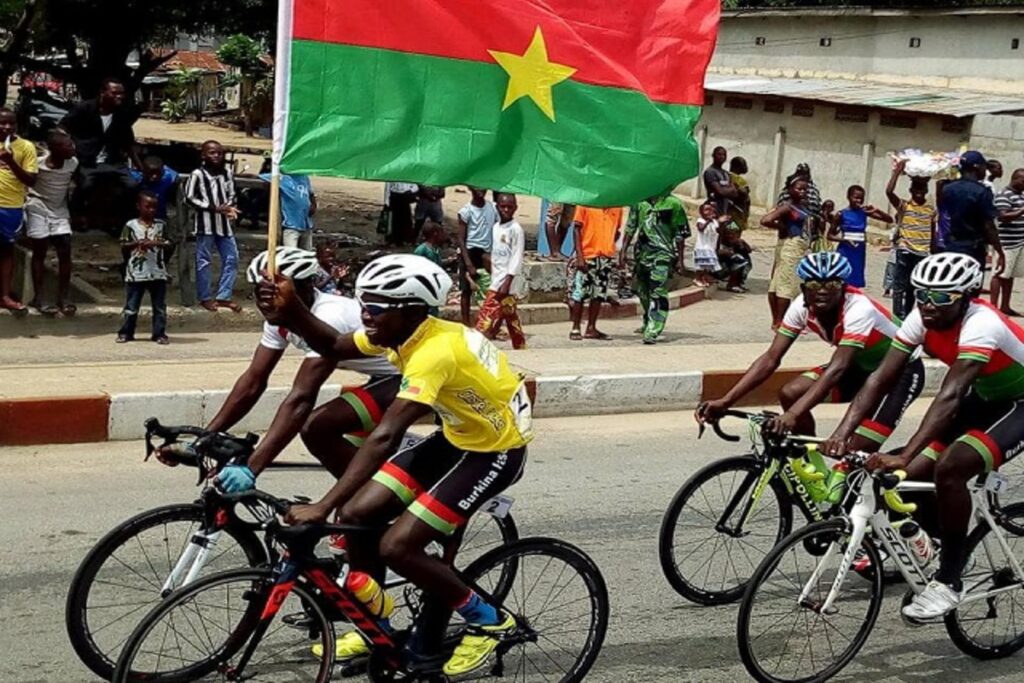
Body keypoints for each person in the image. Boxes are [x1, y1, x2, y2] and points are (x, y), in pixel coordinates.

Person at [254, 253, 533, 676]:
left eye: (375, 308)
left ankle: (492, 622)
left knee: (396, 546)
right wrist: (291, 309)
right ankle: (375, 625)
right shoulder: (401, 334)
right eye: (362, 303)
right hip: (456, 437)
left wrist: (321, 506)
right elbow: (331, 344)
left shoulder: (434, 351)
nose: (365, 315)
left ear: (411, 310)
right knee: (357, 514)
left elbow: (385, 435)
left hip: (495, 453)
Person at [822, 253, 1024, 621]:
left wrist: (905, 454)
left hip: (1019, 404)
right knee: (906, 476)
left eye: (942, 297)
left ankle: (949, 581)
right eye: (922, 295)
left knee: (950, 468)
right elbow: (880, 378)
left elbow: (949, 397)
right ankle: (949, 543)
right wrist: (842, 434)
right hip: (986, 397)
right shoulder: (921, 317)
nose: (929, 305)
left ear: (965, 296)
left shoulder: (982, 324)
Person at [203, 248, 402, 535]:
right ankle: (369, 496)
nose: (266, 302)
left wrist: (252, 467)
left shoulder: (329, 315)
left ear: (305, 287)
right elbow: (253, 381)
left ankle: (380, 501)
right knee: (344, 451)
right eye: (260, 294)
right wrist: (207, 434)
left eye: (274, 292)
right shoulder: (278, 318)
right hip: (378, 378)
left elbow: (301, 399)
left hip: (405, 379)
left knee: (317, 427)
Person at [698, 251, 924, 449]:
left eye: (832, 284)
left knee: (858, 446)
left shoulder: (859, 308)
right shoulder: (800, 307)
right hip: (861, 367)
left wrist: (792, 416)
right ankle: (813, 470)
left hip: (900, 371)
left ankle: (860, 496)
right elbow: (770, 358)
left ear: (844, 287)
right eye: (815, 285)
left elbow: (838, 368)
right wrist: (725, 401)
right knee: (791, 393)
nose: (823, 291)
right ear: (804, 289)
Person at [60, 77, 139, 228]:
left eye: (121, 94)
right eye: (115, 93)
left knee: (132, 185)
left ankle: (122, 220)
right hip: (87, 160)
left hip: (113, 161)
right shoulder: (84, 108)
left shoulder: (122, 114)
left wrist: (139, 166)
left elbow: (128, 143)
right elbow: (62, 127)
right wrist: (70, 146)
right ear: (103, 92)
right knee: (85, 185)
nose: (119, 97)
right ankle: (77, 215)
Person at [621, 191, 689, 344]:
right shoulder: (639, 202)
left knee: (658, 290)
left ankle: (654, 328)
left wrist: (680, 260)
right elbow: (631, 227)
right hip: (642, 255)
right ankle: (648, 318)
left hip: (663, 254)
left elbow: (680, 234)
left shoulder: (673, 204)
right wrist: (623, 251)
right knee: (642, 290)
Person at [25, 128, 76, 317]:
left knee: (65, 249)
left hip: (59, 209)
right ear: (55, 149)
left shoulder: (72, 163)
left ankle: (63, 297)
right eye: (68, 146)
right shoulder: (38, 164)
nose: (73, 148)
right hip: (37, 206)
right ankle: (39, 297)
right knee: (40, 250)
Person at [186, 140, 242, 312]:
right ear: (203, 155)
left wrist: (229, 206)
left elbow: (233, 193)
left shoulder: (227, 173)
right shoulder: (197, 174)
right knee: (203, 261)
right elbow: (189, 197)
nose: (216, 156)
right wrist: (213, 208)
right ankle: (205, 297)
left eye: (219, 153)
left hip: (225, 225)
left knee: (232, 259)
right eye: (212, 153)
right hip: (205, 225)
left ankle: (224, 296)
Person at [937, 150, 1004, 274]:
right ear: (977, 168)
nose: (985, 171)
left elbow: (941, 215)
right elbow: (988, 226)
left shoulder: (947, 189)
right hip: (973, 249)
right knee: (970, 287)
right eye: (984, 167)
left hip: (950, 245)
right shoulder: (982, 192)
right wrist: (1000, 251)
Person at [886, 160, 937, 320]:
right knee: (899, 286)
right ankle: (897, 316)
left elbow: (932, 232)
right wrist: (896, 172)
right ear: (911, 190)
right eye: (916, 189)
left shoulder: (931, 209)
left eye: (922, 189)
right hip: (905, 249)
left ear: (927, 190)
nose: (919, 192)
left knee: (913, 287)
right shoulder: (905, 205)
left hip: (922, 253)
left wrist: (933, 251)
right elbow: (889, 192)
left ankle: (906, 316)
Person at [117, 191, 170, 344]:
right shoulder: (131, 225)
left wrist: (156, 244)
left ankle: (159, 333)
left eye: (154, 207)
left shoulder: (161, 225)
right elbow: (123, 245)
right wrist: (137, 243)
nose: (151, 210)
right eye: (147, 207)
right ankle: (126, 332)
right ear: (138, 207)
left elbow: (169, 244)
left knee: (159, 307)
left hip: (157, 272)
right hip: (136, 272)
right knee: (131, 306)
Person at [0, 107, 38, 314]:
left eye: (11, 123)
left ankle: (5, 295)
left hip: (10, 206)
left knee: (6, 251)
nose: (7, 127)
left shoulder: (26, 147)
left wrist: (10, 162)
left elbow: (31, 180)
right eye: (2, 123)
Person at [476, 192, 526, 349]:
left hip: (505, 283)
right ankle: (520, 346)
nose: (506, 210)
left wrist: (507, 282)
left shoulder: (516, 229)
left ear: (515, 208)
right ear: (497, 207)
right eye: (503, 206)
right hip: (496, 278)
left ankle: (476, 344)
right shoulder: (496, 228)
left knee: (486, 314)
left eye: (509, 207)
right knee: (510, 316)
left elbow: (516, 257)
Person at [762, 176, 813, 328]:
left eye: (805, 189)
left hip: (796, 246)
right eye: (799, 188)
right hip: (790, 246)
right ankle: (780, 320)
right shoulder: (788, 207)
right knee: (785, 284)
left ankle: (777, 320)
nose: (802, 192)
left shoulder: (802, 206)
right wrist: (782, 228)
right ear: (790, 189)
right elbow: (766, 220)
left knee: (778, 283)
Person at [569, 205, 622, 340]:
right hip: (587, 255)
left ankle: (591, 327)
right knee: (580, 292)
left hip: (605, 257)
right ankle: (576, 327)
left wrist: (609, 246)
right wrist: (580, 256)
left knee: (599, 293)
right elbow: (576, 229)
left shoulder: (617, 208)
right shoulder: (586, 205)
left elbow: (617, 231)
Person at [827, 185, 893, 288]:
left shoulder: (864, 213)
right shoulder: (841, 214)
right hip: (845, 250)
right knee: (843, 276)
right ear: (848, 197)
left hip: (859, 250)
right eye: (856, 197)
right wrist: (845, 240)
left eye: (861, 198)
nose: (859, 200)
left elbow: (889, 220)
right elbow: (830, 235)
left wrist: (876, 210)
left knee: (856, 278)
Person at [456, 186, 498, 325]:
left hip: (486, 253)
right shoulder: (466, 211)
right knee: (466, 291)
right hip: (470, 252)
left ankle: (487, 322)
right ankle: (466, 323)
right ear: (470, 188)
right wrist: (468, 263)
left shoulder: (492, 208)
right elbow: (461, 239)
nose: (481, 190)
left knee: (489, 289)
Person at [989, 169, 1024, 317]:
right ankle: (993, 307)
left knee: (1009, 275)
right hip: (1006, 242)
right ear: (1015, 179)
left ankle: (1005, 306)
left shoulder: (1019, 195)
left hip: (1018, 242)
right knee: (999, 274)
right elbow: (1002, 216)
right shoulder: (1004, 195)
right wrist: (1022, 210)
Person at [259, 172, 316, 250]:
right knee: (291, 252)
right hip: (291, 225)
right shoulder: (282, 178)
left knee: (307, 252)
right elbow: (260, 177)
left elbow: (311, 193)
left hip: (306, 223)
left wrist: (313, 205)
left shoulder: (304, 176)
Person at [130, 156, 179, 220]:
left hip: (160, 217)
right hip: (139, 219)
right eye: (151, 173)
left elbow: (174, 176)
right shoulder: (135, 178)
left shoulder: (168, 177)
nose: (155, 176)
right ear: (144, 171)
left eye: (158, 173)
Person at [702, 146, 738, 217]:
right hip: (713, 211)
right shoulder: (710, 172)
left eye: (724, 155)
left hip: (725, 210)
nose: (722, 157)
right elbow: (720, 191)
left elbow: (735, 193)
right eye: (719, 154)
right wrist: (730, 189)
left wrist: (727, 190)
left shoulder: (726, 174)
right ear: (713, 156)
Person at [718, 220, 753, 293]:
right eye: (728, 233)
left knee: (744, 259)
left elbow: (749, 251)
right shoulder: (719, 242)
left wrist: (742, 244)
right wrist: (725, 252)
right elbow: (716, 252)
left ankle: (738, 283)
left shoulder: (737, 242)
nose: (731, 236)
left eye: (734, 234)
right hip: (719, 268)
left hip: (729, 265)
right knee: (738, 260)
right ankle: (732, 284)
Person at [693, 202, 723, 288]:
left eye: (711, 210)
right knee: (700, 266)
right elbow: (701, 229)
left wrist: (720, 222)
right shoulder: (700, 221)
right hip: (701, 247)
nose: (709, 212)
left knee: (707, 265)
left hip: (710, 247)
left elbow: (718, 231)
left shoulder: (714, 222)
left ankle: (704, 278)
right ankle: (697, 278)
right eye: (706, 210)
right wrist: (708, 221)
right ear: (701, 212)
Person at [729, 156, 751, 233]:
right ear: (737, 167)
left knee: (730, 230)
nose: (746, 168)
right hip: (738, 210)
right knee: (735, 231)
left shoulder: (726, 176)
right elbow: (745, 192)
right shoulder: (739, 179)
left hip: (731, 209)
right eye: (744, 165)